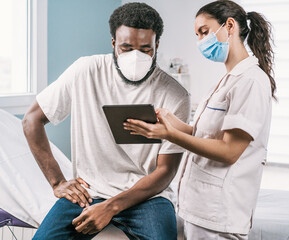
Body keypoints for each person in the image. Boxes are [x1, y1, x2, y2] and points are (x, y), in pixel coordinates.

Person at [22, 2, 190, 240]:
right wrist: (57, 181)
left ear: (157, 46)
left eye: (145, 49)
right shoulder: (85, 71)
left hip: (147, 198)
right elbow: (31, 120)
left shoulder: (175, 95)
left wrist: (111, 207)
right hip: (89, 192)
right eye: (126, 47)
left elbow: (165, 171)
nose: (136, 57)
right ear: (113, 43)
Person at [124, 0, 276, 239]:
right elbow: (205, 136)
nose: (200, 41)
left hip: (219, 215)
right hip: (197, 209)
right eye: (197, 35)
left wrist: (169, 135)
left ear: (229, 25)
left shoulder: (251, 81)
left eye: (204, 32)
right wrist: (172, 122)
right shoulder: (227, 80)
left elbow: (229, 151)